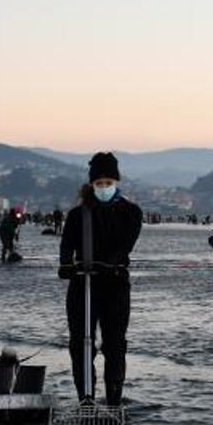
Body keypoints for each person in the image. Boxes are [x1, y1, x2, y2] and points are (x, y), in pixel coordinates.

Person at [59, 152, 143, 407]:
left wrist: (110, 262)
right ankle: (86, 398)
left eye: (108, 182)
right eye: (99, 183)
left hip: (115, 283)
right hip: (83, 284)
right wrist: (65, 265)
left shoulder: (131, 212)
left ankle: (114, 401)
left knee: (115, 343)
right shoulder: (78, 214)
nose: (104, 187)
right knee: (81, 342)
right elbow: (66, 244)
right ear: (92, 184)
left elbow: (126, 244)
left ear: (115, 182)